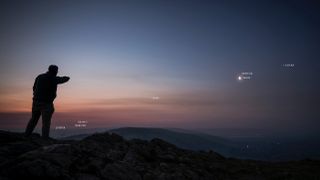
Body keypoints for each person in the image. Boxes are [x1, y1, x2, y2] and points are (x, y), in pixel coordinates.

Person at [25, 65, 70, 138]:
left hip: (36, 102)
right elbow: (65, 79)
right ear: (55, 71)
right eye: (57, 71)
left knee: (33, 120)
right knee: (46, 122)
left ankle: (26, 135)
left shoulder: (39, 77)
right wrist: (66, 77)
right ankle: (45, 138)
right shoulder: (53, 78)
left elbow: (34, 88)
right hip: (47, 104)